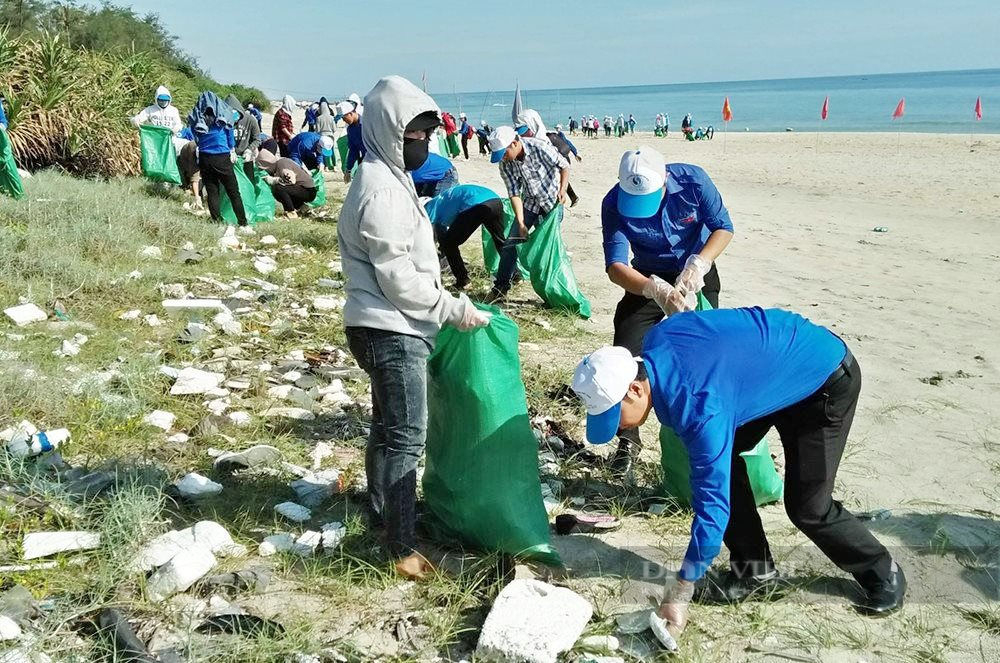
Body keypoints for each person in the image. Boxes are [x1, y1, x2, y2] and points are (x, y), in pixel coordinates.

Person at [571, 309, 906, 644]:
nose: (617, 427)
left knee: (808, 506)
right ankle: (755, 572)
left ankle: (882, 571)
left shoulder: (701, 408)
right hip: (775, 373)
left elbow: (713, 508)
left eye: (615, 416)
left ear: (634, 389)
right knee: (719, 465)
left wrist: (683, 587)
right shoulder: (657, 340)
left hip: (824, 377)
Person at [337, 75, 491, 580]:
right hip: (390, 329)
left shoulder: (388, 177)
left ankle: (384, 512)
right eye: (414, 135)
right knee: (405, 438)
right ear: (387, 131)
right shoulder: (380, 190)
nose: (423, 143)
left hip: (384, 326)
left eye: (428, 135)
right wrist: (451, 308)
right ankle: (401, 548)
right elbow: (398, 278)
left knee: (386, 429)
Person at [601, 147, 734, 476]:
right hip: (646, 277)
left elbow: (723, 227)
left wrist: (699, 264)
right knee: (625, 349)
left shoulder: (693, 181)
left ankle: (702, 437)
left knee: (701, 356)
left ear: (665, 182)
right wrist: (654, 289)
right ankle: (628, 439)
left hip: (695, 275)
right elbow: (616, 266)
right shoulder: (612, 204)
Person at [486, 125, 570, 300]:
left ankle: (552, 290)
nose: (503, 158)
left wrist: (563, 189)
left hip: (551, 204)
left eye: (504, 153)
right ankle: (501, 287)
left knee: (547, 248)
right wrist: (521, 223)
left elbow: (564, 166)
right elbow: (514, 193)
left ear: (514, 143)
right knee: (511, 243)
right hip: (529, 204)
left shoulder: (540, 148)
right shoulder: (505, 164)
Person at [187, 92, 249, 231]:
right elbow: (230, 138)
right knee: (233, 191)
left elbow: (195, 135)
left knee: (212, 190)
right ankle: (243, 223)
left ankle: (216, 221)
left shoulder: (198, 117)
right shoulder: (223, 116)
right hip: (221, 157)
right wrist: (231, 149)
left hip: (204, 157)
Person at [423, 184, 505, 290]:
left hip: (475, 204)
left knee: (449, 244)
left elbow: (429, 236)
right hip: (495, 200)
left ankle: (463, 281)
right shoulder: (440, 200)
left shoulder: (429, 209)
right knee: (500, 241)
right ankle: (514, 274)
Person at [516, 110, 581, 206]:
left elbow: (564, 165)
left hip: (551, 196)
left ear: (534, 126)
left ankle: (573, 197)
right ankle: (573, 197)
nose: (522, 136)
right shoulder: (524, 145)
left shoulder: (545, 143)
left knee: (562, 180)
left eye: (525, 132)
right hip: (534, 200)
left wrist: (576, 153)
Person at [256, 148, 317, 217]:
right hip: (305, 189)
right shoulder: (280, 164)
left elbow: (291, 181)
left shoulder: (282, 164)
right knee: (281, 189)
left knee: (278, 189)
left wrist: (275, 180)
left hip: (308, 191)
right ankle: (302, 208)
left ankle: (290, 212)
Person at [225, 95, 261, 179]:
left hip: (246, 157)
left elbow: (257, 139)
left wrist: (249, 150)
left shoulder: (251, 120)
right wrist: (229, 150)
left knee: (248, 180)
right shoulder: (223, 121)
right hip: (229, 157)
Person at [338, 100, 364, 182]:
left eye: (344, 117)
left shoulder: (367, 124)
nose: (343, 120)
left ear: (351, 113)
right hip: (364, 161)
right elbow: (353, 150)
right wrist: (348, 170)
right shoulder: (350, 129)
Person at [316, 97, 338, 170]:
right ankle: (334, 166)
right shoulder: (331, 118)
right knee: (332, 151)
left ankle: (326, 167)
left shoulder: (318, 118)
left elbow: (317, 130)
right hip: (330, 136)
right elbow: (334, 129)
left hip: (322, 136)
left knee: (323, 152)